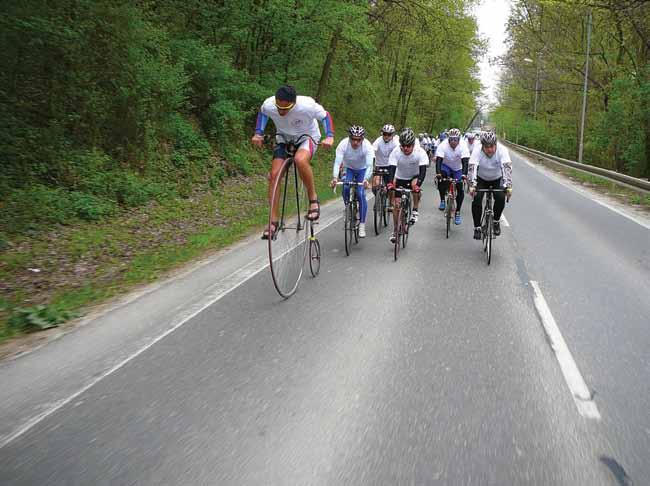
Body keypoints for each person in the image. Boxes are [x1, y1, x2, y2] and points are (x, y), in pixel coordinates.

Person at [252, 85, 334, 239]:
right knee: (274, 175)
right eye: (279, 108)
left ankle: (313, 199)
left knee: (300, 160)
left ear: (294, 104)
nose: (281, 112)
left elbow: (325, 116)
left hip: (306, 137)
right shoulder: (269, 104)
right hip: (283, 138)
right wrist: (258, 133)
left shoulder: (307, 106)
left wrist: (329, 136)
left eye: (286, 109)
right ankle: (273, 221)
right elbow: (263, 114)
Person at [331, 126, 374, 237]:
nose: (355, 142)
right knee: (345, 187)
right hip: (348, 168)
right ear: (349, 138)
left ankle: (362, 225)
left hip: (362, 170)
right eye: (353, 139)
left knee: (360, 193)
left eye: (358, 140)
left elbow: (370, 166)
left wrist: (365, 180)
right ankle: (348, 208)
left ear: (362, 139)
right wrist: (335, 178)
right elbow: (337, 163)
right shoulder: (343, 144)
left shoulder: (367, 146)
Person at [386, 128, 428, 243]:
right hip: (400, 178)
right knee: (396, 205)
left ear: (413, 145)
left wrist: (418, 185)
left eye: (408, 146)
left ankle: (415, 209)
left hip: (414, 176)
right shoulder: (395, 152)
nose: (405, 148)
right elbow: (392, 170)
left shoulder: (420, 152)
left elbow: (423, 171)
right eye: (403, 146)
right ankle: (395, 230)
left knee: (415, 187)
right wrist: (390, 183)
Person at [469, 131, 513, 239]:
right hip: (481, 178)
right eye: (487, 147)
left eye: (492, 146)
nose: (490, 149)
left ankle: (496, 221)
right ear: (482, 146)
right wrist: (472, 185)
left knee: (500, 197)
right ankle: (477, 227)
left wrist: (508, 186)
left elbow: (506, 167)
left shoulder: (502, 150)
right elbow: (472, 168)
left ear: (496, 144)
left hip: (497, 178)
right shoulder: (477, 150)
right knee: (477, 198)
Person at [435, 127, 470, 225]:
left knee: (460, 188)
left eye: (456, 139)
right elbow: (438, 161)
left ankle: (458, 212)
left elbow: (465, 162)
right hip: (446, 165)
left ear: (459, 139)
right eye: (451, 139)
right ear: (448, 139)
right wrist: (438, 173)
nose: (453, 142)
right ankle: (442, 199)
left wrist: (464, 175)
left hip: (457, 168)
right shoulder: (443, 145)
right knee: (442, 178)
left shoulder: (463, 146)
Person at [372, 124, 399, 193]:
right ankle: (378, 200)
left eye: (389, 134)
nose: (386, 136)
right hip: (379, 164)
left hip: (390, 165)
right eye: (385, 134)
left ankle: (390, 200)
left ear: (392, 135)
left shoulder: (395, 142)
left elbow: (399, 153)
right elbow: (372, 150)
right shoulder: (378, 140)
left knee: (390, 186)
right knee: (375, 185)